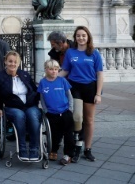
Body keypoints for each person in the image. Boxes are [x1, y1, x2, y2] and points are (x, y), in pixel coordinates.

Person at [59, 26, 103, 162]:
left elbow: (100, 74)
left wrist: (98, 94)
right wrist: (51, 79)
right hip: (75, 86)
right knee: (77, 117)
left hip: (90, 87)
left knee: (89, 120)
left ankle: (87, 149)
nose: (81, 38)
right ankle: (77, 145)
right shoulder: (70, 53)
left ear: (88, 37)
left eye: (83, 35)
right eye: (78, 35)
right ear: (75, 37)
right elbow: (65, 70)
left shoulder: (94, 53)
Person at [0, 51, 41, 161]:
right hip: (12, 107)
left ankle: (34, 149)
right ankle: (22, 149)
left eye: (15, 62)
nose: (12, 64)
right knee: (19, 115)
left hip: (29, 105)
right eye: (10, 61)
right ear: (5, 62)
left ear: (19, 63)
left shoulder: (25, 75)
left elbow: (34, 90)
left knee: (33, 115)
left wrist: (36, 103)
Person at [38, 59, 75, 166]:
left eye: (56, 69)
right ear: (46, 70)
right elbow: (42, 99)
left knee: (68, 134)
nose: (53, 71)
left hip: (65, 112)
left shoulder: (62, 81)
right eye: (51, 69)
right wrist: (45, 110)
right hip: (51, 114)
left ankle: (68, 154)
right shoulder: (43, 82)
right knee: (54, 134)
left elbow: (69, 96)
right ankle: (53, 150)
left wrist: (70, 109)